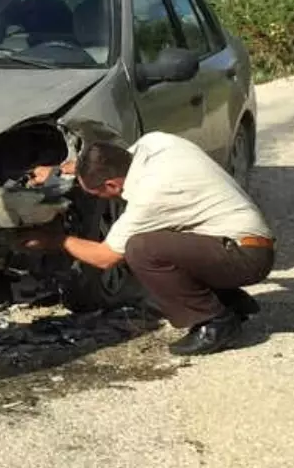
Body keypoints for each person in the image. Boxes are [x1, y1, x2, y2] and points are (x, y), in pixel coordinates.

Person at [29, 131, 275, 355]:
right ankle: (228, 301)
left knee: (141, 249)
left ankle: (214, 322)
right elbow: (111, 159)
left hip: (246, 257)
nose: (101, 200)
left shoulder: (149, 195)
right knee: (164, 240)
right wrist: (64, 170)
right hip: (242, 241)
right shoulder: (156, 143)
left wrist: (57, 240)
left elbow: (105, 257)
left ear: (112, 184)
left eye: (98, 195)